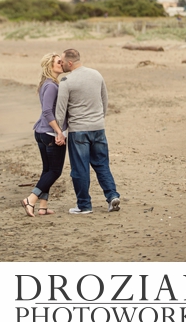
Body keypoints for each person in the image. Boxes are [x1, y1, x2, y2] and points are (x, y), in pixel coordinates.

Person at [54, 47, 121, 215]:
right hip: (98, 128)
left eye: (62, 61)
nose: (60, 64)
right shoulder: (96, 74)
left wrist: (58, 132)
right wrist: (99, 119)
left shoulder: (66, 81)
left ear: (70, 62)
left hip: (78, 131)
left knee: (80, 168)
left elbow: (60, 112)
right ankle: (112, 196)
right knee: (102, 164)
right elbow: (104, 100)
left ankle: (84, 205)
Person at [22, 52, 68, 217]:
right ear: (50, 66)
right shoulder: (50, 86)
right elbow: (48, 112)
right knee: (55, 171)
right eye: (58, 62)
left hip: (42, 132)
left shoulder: (48, 84)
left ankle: (42, 206)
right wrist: (59, 132)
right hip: (49, 133)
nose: (62, 64)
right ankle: (31, 199)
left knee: (47, 170)